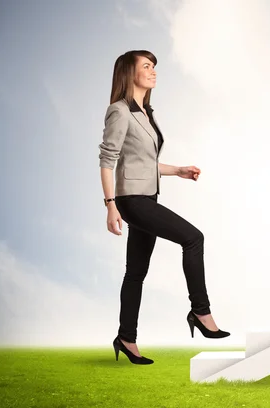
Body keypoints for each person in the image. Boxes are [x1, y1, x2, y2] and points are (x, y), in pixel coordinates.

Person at [98, 50, 230, 365]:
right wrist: (110, 205)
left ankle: (126, 338)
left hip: (147, 197)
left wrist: (178, 170)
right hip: (132, 200)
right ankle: (200, 311)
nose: (153, 71)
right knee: (193, 238)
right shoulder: (119, 111)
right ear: (129, 73)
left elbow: (145, 163)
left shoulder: (146, 113)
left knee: (135, 272)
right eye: (146, 66)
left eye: (154, 66)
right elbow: (108, 159)